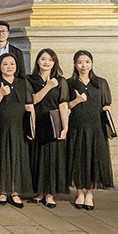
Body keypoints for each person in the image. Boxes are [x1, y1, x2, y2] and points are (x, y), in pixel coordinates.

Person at [66, 50, 113, 210]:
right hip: (77, 125)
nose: (83, 65)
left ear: (92, 63)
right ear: (74, 64)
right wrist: (77, 100)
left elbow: (106, 103)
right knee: (78, 158)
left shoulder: (101, 83)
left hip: (96, 127)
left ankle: (90, 193)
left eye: (87, 62)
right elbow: (65, 106)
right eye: (80, 62)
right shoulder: (69, 83)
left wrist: (108, 112)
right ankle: (79, 192)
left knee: (94, 159)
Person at [0, 53, 34, 207]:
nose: (9, 67)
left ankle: (15, 192)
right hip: (0, 126)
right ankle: (2, 191)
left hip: (19, 127)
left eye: (12, 64)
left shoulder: (23, 83)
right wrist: (1, 93)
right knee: (2, 157)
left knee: (17, 157)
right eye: (5, 64)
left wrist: (31, 128)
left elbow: (29, 106)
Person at [28, 49, 69, 208]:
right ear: (38, 61)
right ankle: (39, 192)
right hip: (37, 120)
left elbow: (63, 104)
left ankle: (50, 194)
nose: (46, 62)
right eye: (43, 59)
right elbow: (32, 100)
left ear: (54, 62)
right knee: (38, 156)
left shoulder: (61, 81)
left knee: (52, 158)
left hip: (53, 121)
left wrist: (65, 126)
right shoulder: (30, 79)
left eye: (50, 60)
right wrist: (48, 86)